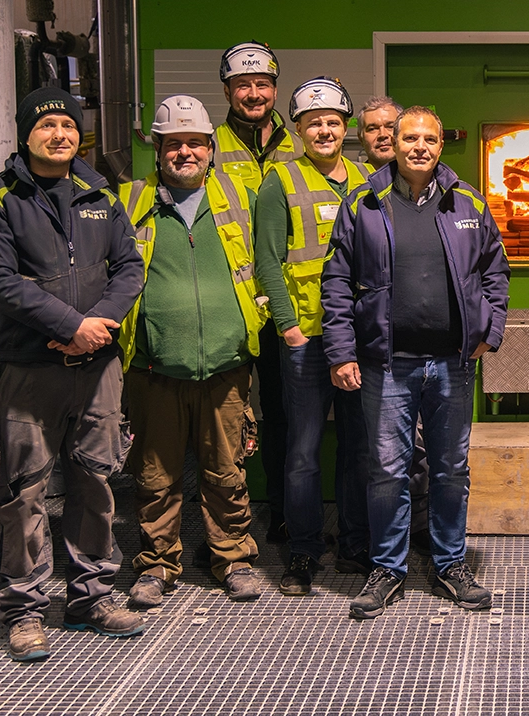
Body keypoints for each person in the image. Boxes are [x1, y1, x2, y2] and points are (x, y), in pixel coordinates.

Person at [0, 87, 145, 661]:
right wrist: (71, 323)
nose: (61, 133)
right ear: (26, 134)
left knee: (97, 479)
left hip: (99, 367)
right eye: (47, 124)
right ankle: (24, 609)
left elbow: (129, 267)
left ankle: (91, 595)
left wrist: (99, 323)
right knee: (25, 490)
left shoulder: (102, 195)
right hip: (30, 368)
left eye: (69, 124)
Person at [322, 106, 510, 619]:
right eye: (410, 138)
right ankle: (388, 567)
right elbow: (336, 281)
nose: (419, 147)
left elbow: (495, 270)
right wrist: (341, 350)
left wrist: (489, 332)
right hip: (387, 363)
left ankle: (451, 564)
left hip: (452, 362)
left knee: (451, 469)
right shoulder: (363, 203)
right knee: (386, 471)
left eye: (429, 138)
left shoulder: (467, 200)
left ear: (439, 145)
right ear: (391, 142)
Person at [117, 95, 265, 607]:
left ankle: (233, 557)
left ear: (211, 149)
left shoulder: (238, 200)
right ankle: (157, 564)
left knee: (226, 470)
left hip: (226, 365)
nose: (186, 152)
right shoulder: (130, 203)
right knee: (155, 475)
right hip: (154, 366)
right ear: (158, 150)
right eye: (174, 143)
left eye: (195, 143)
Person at [254, 77, 374, 595]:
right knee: (302, 450)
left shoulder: (372, 179)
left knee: (358, 446)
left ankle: (354, 545)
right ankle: (302, 550)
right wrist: (288, 329)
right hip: (307, 337)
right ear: (298, 130)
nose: (324, 130)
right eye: (313, 123)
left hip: (362, 340)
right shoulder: (280, 181)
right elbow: (267, 260)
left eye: (332, 121)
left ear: (346, 127)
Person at [214, 40, 302, 543]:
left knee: (284, 412)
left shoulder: (299, 145)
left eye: (262, 84)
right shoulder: (210, 145)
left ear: (275, 88)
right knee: (226, 419)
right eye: (243, 85)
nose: (253, 93)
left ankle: (284, 508)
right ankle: (228, 525)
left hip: (283, 305)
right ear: (227, 89)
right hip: (230, 303)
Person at [356, 94, 431, 547]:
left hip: (426, 350)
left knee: (421, 451)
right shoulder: (361, 195)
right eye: (374, 129)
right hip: (372, 346)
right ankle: (374, 542)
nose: (384, 135)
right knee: (377, 455)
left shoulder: (446, 195)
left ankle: (419, 532)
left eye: (391, 127)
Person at [357, 95, 402, 170]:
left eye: (390, 127)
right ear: (361, 139)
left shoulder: (422, 179)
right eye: (372, 129)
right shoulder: (355, 179)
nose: (382, 134)